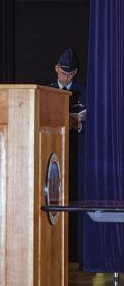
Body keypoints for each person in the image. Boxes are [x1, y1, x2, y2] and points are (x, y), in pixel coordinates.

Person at [50, 47, 86, 263]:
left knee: (75, 200)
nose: (66, 77)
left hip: (76, 155)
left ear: (76, 73)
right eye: (63, 72)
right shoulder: (47, 90)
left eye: (70, 74)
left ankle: (75, 254)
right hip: (52, 153)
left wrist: (79, 124)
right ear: (56, 69)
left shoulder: (84, 91)